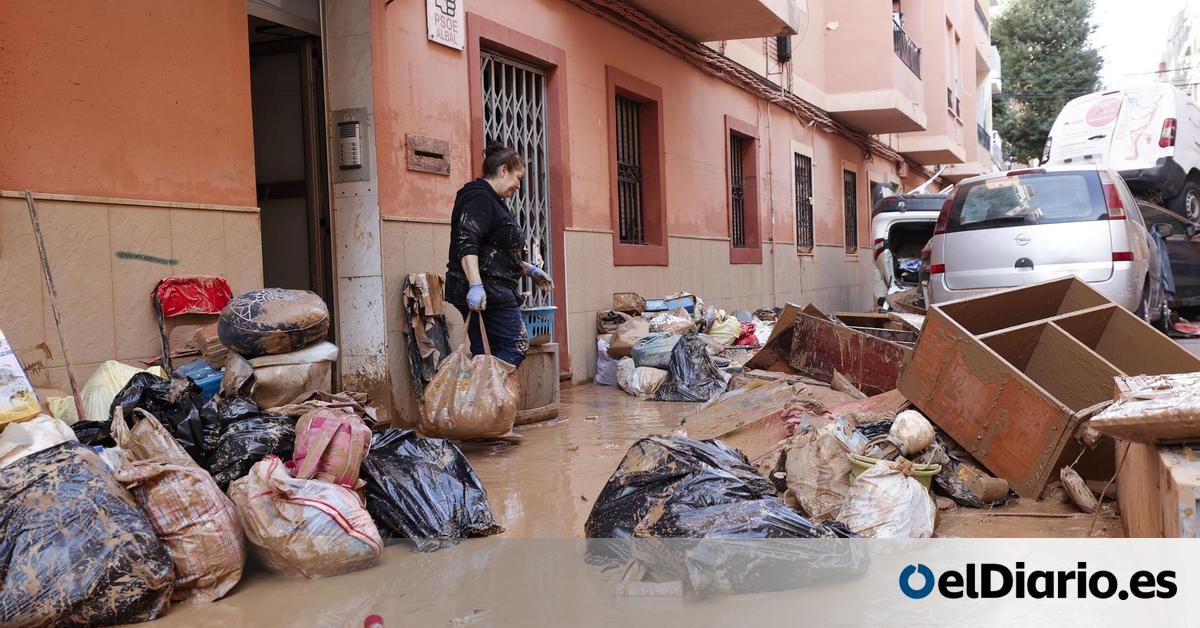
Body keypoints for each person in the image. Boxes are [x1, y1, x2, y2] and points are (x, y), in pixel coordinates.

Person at [445, 142, 553, 368]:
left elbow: (493, 250)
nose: (519, 185)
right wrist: (476, 285)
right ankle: (483, 397)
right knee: (515, 345)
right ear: (503, 170)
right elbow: (467, 243)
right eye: (518, 177)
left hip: (492, 288)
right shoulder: (479, 197)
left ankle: (482, 398)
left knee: (487, 352)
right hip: (487, 290)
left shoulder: (493, 200)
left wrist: (528, 269)